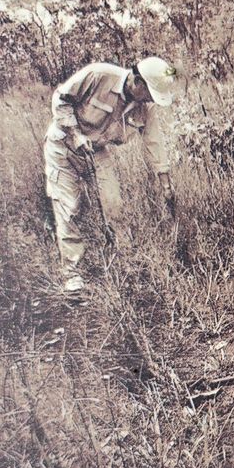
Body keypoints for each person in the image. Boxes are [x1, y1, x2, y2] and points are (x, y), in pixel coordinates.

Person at [44, 57, 180, 292]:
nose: (149, 100)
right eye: (149, 93)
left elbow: (154, 142)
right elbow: (61, 99)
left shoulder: (145, 108)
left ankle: (125, 264)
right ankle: (72, 273)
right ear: (137, 82)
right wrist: (76, 133)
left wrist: (165, 182)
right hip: (63, 146)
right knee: (70, 207)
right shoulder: (98, 75)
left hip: (97, 150)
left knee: (114, 205)